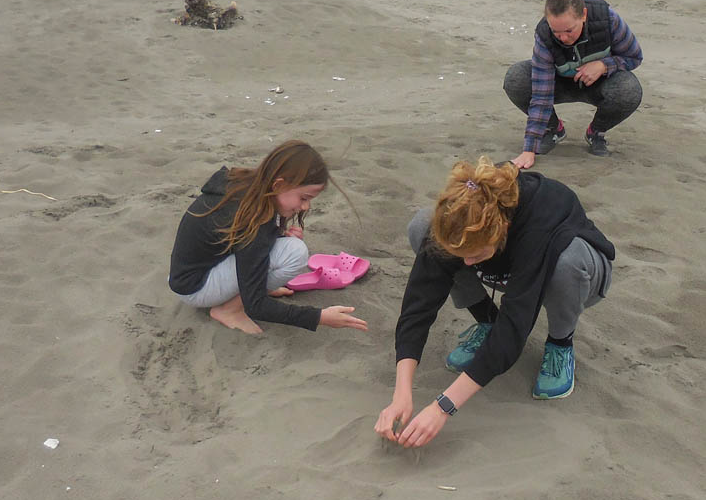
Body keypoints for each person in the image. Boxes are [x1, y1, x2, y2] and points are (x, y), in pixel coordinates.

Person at [375, 156, 614, 449]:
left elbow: (515, 326)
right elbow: (419, 302)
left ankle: (560, 343)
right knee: (424, 228)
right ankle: (486, 321)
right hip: (502, 267)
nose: (465, 264)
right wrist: (402, 392)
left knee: (566, 261)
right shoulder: (465, 209)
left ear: (500, 231)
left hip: (580, 272)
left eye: (474, 255)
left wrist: (443, 407)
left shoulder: (538, 221)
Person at [168, 140, 367, 335]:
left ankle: (245, 291)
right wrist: (319, 317)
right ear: (279, 184)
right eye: (304, 198)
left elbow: (237, 242)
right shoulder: (252, 218)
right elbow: (257, 307)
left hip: (190, 275)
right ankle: (229, 309)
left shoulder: (246, 187)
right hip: (196, 288)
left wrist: (277, 235)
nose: (305, 207)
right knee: (294, 253)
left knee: (286, 246)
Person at [504, 0, 643, 166]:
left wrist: (604, 65)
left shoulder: (608, 19)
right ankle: (552, 130)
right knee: (516, 78)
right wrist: (529, 149)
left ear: (584, 15)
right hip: (558, 83)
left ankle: (596, 132)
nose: (563, 38)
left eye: (569, 30)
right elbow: (541, 95)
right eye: (556, 31)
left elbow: (634, 56)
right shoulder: (544, 35)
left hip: (599, 83)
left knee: (629, 89)